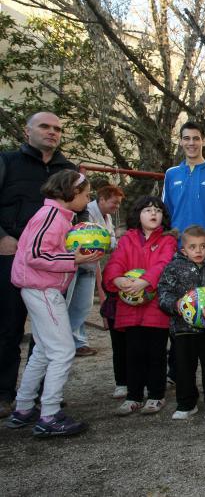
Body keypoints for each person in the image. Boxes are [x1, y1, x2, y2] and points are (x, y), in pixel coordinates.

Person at [3, 170, 101, 436]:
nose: (87, 199)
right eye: (86, 195)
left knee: (44, 350)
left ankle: (23, 407)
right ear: (70, 193)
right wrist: (74, 261)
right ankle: (49, 415)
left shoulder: (57, 216)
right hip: (42, 288)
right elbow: (37, 254)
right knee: (62, 350)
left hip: (40, 288)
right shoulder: (51, 217)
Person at [0, 111, 77, 419]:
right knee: (8, 325)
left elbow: (77, 216)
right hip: (10, 253)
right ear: (27, 130)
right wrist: (2, 236)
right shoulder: (7, 162)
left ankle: (42, 395)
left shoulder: (66, 169)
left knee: (47, 336)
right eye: (45, 127)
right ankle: (5, 393)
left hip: (52, 264)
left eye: (57, 128)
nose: (52, 132)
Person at [103, 196, 178, 416]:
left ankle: (156, 395)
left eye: (157, 210)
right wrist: (117, 280)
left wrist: (145, 281)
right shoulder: (127, 239)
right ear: (138, 215)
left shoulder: (168, 240)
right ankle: (133, 396)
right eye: (147, 210)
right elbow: (115, 262)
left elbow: (164, 263)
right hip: (129, 305)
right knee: (133, 352)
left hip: (155, 306)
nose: (153, 213)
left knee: (156, 352)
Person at [157, 225, 205, 421]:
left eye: (203, 246)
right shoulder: (173, 267)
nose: (198, 251)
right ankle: (186, 403)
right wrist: (176, 304)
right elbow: (163, 293)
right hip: (182, 329)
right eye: (193, 247)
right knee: (183, 367)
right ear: (183, 249)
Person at [66, 184, 124, 357]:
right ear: (102, 199)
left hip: (90, 265)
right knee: (68, 304)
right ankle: (71, 342)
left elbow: (109, 240)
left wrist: (108, 243)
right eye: (115, 203)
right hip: (75, 264)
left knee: (83, 305)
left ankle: (77, 342)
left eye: (119, 203)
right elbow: (94, 241)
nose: (117, 207)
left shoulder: (107, 217)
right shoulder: (86, 212)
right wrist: (108, 243)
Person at [163, 121, 205, 250]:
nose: (191, 143)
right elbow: (166, 211)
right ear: (181, 142)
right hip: (179, 246)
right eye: (186, 138)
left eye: (196, 138)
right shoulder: (171, 173)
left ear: (204, 141)